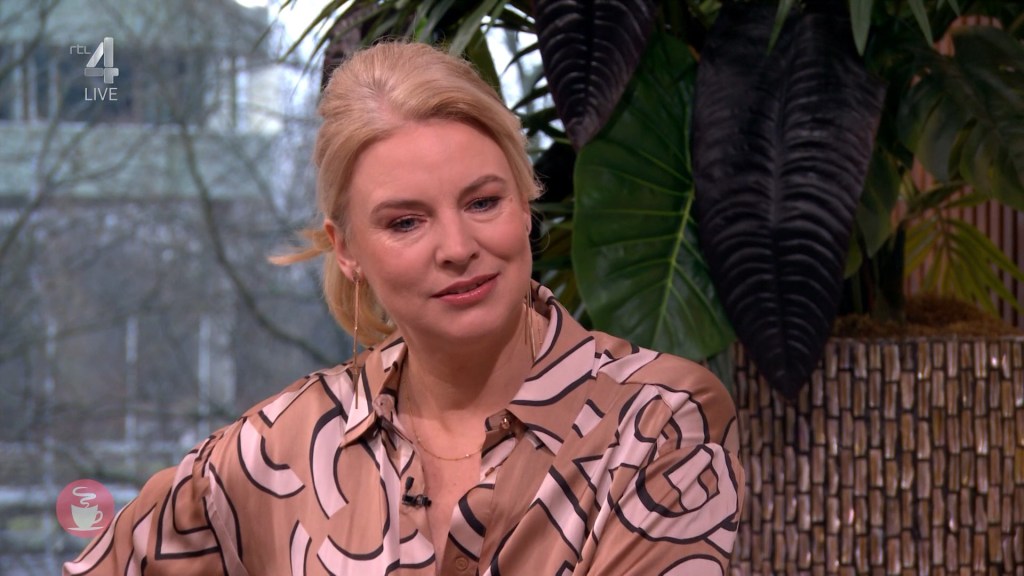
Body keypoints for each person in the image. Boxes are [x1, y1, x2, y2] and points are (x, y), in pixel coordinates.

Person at [64, 41, 744, 576]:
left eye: (483, 202)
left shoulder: (658, 420)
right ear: (347, 249)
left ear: (524, 202)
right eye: (406, 222)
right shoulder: (280, 446)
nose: (458, 248)